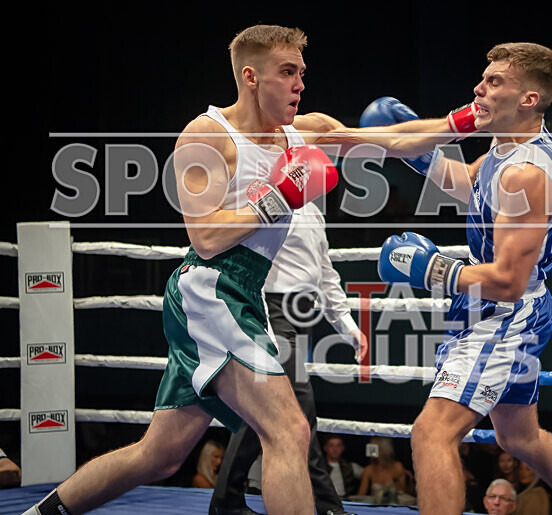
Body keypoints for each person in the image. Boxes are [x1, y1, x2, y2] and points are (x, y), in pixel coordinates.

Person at [22, 24, 342, 515]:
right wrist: (281, 197)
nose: (301, 83)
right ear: (251, 77)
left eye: (302, 72)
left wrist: (463, 121)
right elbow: (206, 236)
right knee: (289, 430)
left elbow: (391, 139)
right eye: (288, 72)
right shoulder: (208, 133)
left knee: (160, 454)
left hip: (242, 294)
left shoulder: (298, 134)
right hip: (212, 289)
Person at [346, 42, 552, 515]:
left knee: (432, 433)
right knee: (519, 436)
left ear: (528, 99)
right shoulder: (504, 148)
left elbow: (508, 281)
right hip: (493, 310)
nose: (479, 87)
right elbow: (466, 183)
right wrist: (417, 154)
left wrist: (430, 269)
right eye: (483, 78)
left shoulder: (527, 173)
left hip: (506, 315)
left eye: (495, 81)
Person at [209, 201, 365, 515]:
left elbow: (325, 274)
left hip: (299, 314)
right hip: (271, 311)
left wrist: (349, 327)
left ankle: (225, 500)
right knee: (300, 409)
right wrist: (261, 321)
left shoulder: (315, 212)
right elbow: (248, 259)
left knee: (263, 413)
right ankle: (327, 504)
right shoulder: (270, 200)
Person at [354, 437, 415, 505]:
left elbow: (403, 492)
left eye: (373, 447)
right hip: (376, 507)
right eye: (369, 447)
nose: (370, 450)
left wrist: (395, 480)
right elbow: (360, 496)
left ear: (382, 449)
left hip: (396, 505)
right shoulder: (368, 470)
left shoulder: (397, 466)